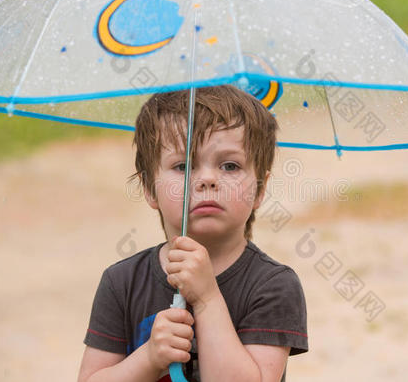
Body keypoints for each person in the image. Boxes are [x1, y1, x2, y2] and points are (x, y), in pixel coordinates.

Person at [77, 85, 308, 382]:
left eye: (230, 165)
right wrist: (148, 359)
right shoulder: (121, 282)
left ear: (259, 190)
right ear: (149, 189)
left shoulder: (273, 286)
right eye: (184, 165)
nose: (207, 179)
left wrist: (207, 299)